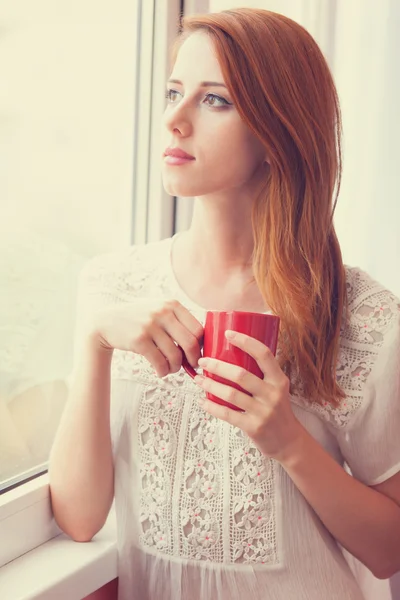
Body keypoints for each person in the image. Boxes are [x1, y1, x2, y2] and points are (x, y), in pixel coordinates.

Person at [48, 8, 400, 600]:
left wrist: (289, 442)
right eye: (173, 92)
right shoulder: (111, 287)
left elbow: (390, 552)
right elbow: (79, 519)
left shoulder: (363, 315)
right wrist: (95, 342)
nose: (174, 121)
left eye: (215, 101)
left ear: (278, 130)